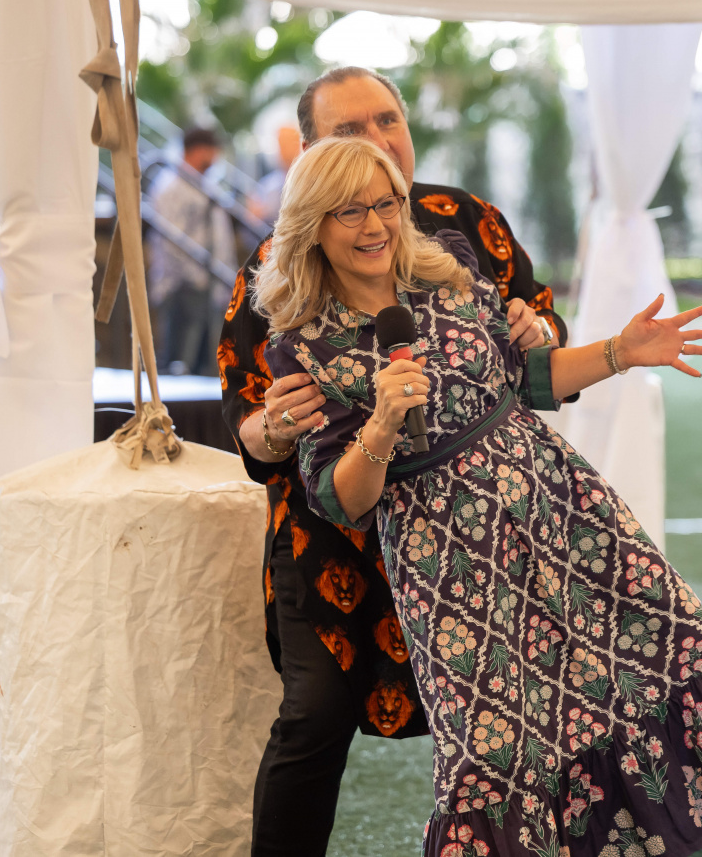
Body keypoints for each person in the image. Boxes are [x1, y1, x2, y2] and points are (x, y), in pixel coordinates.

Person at [256, 135, 702, 857]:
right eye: (350, 211)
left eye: (385, 204)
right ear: (313, 224)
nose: (375, 226)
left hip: (564, 513)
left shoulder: (447, 270)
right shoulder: (303, 344)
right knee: (497, 754)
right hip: (453, 568)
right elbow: (341, 499)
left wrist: (619, 353)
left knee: (673, 654)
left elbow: (524, 379)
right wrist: (382, 424)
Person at [218, 67, 568, 857]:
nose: (378, 141)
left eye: (387, 120)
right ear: (312, 156)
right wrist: (276, 427)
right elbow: (245, 425)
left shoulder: (466, 221)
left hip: (478, 535)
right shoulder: (277, 263)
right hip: (335, 533)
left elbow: (541, 333)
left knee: (524, 708)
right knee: (315, 714)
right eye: (349, 131)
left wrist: (538, 329)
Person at [148, 126, 238, 375]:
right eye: (211, 150)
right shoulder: (171, 186)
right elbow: (171, 241)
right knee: (181, 365)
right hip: (183, 287)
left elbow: (221, 238)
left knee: (206, 367)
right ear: (198, 150)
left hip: (211, 287)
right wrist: (197, 278)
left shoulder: (206, 183)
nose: (215, 157)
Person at [251, 124, 303, 224]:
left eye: (288, 143)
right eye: (281, 144)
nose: (283, 150)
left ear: (299, 144)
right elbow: (253, 219)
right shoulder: (266, 185)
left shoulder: (310, 180)